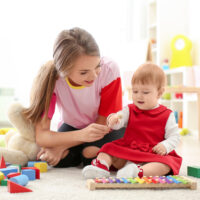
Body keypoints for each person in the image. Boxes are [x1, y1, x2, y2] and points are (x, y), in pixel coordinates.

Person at [22, 27, 125, 167]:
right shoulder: (52, 80)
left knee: (92, 154)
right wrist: (78, 137)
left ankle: (83, 154)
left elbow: (103, 126)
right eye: (84, 72)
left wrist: (61, 146)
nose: (94, 76)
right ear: (64, 72)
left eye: (97, 66)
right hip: (73, 127)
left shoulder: (109, 69)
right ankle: (82, 154)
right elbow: (42, 136)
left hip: (106, 127)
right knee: (49, 158)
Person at [82, 62, 182, 179]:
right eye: (135, 91)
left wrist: (165, 146)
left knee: (166, 164)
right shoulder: (129, 109)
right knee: (107, 148)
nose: (139, 96)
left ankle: (138, 172)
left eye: (145, 92)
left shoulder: (167, 114)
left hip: (152, 153)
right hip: (129, 149)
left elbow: (175, 136)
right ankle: (101, 168)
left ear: (159, 93)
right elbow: (119, 120)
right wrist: (114, 120)